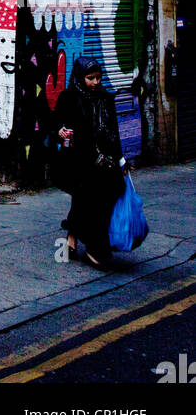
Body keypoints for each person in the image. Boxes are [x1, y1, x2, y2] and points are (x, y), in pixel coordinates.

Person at [53, 56, 126, 268]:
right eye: (90, 78)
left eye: (98, 77)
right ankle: (95, 250)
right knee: (89, 201)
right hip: (79, 160)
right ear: (80, 77)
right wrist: (60, 131)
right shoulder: (70, 97)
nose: (95, 82)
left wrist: (121, 160)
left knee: (97, 199)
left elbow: (113, 130)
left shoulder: (105, 97)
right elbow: (57, 121)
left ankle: (73, 239)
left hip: (105, 160)